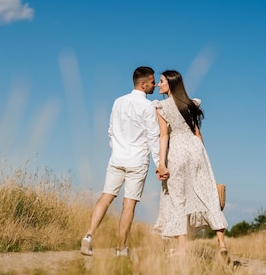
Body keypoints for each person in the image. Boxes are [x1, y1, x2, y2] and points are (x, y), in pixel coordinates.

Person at [80, 66, 162, 257]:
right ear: (143, 84)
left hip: (117, 158)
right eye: (152, 82)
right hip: (137, 161)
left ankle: (89, 235)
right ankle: (121, 248)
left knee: (106, 197)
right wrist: (159, 164)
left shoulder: (118, 102)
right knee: (129, 204)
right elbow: (153, 136)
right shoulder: (148, 106)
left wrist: (116, 148)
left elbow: (111, 130)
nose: (155, 84)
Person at [153, 70, 229, 259]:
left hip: (177, 149)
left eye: (161, 81)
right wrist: (202, 158)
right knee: (208, 194)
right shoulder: (192, 104)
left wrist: (161, 164)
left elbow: (164, 136)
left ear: (170, 83)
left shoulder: (161, 107)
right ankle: (221, 243)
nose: (158, 84)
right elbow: (198, 134)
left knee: (177, 199)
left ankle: (183, 250)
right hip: (196, 149)